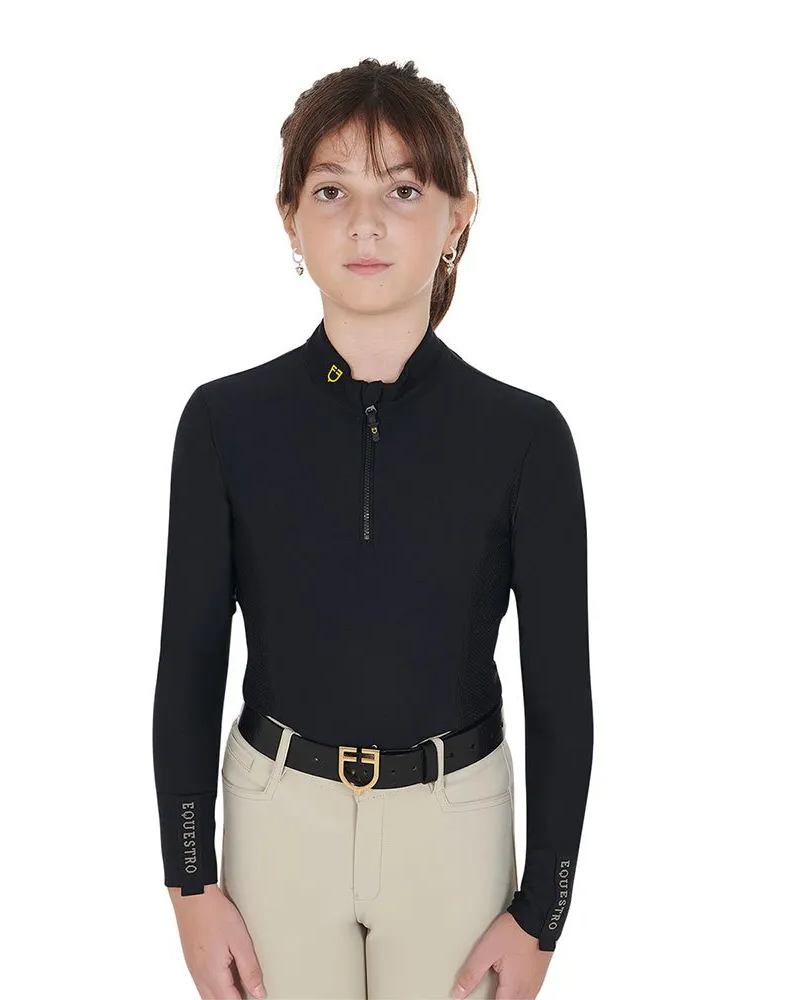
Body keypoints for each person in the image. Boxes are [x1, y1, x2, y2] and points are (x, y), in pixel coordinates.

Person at [152, 58, 593, 1000]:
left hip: (456, 828)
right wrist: (190, 883)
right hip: (276, 824)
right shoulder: (224, 423)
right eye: (330, 190)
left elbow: (562, 694)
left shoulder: (525, 437)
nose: (364, 223)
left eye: (402, 190)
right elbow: (187, 663)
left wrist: (543, 910)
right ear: (289, 218)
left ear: (457, 216)